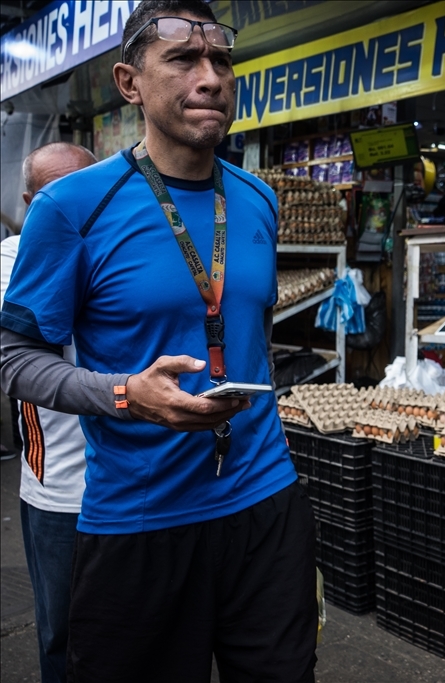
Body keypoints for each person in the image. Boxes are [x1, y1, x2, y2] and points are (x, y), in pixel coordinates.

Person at [0, 1, 317, 681]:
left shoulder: (257, 199)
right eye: (183, 60)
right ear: (128, 82)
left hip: (265, 507)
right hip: (141, 519)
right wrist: (124, 394)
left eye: (222, 61)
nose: (211, 78)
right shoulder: (72, 208)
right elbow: (15, 359)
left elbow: (254, 334)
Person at [0, 142, 96, 683]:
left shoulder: (120, 244)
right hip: (59, 488)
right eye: (50, 199)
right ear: (29, 200)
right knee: (62, 634)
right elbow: (23, 362)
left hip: (139, 483)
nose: (66, 209)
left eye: (78, 194)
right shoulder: (12, 258)